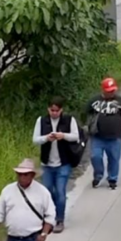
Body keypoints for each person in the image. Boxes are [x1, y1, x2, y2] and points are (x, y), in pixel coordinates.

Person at [32, 97, 80, 233]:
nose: (54, 113)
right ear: (48, 109)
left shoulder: (69, 120)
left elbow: (76, 136)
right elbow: (35, 140)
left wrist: (63, 135)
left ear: (61, 110)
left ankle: (60, 219)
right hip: (47, 163)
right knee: (47, 192)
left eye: (56, 110)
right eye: (51, 110)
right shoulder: (41, 121)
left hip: (63, 163)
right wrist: (46, 138)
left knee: (60, 192)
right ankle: (50, 216)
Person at [84, 78, 121, 189]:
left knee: (114, 159)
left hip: (114, 137)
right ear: (103, 90)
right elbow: (85, 112)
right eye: (109, 91)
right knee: (95, 157)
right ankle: (98, 175)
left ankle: (112, 179)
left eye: (113, 90)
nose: (112, 93)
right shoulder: (94, 101)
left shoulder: (120, 101)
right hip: (97, 137)